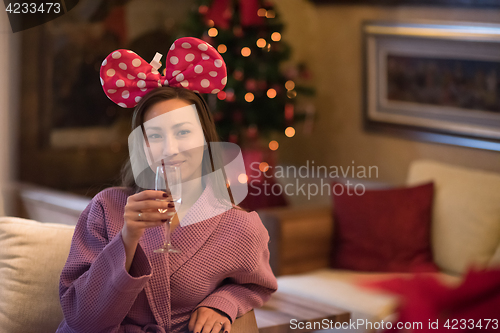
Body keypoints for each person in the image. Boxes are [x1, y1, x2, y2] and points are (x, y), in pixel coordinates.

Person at [56, 37, 278, 333]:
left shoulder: (239, 227)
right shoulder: (105, 209)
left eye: (183, 131)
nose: (170, 148)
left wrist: (222, 302)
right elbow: (82, 318)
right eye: (155, 135)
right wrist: (127, 238)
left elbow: (255, 285)